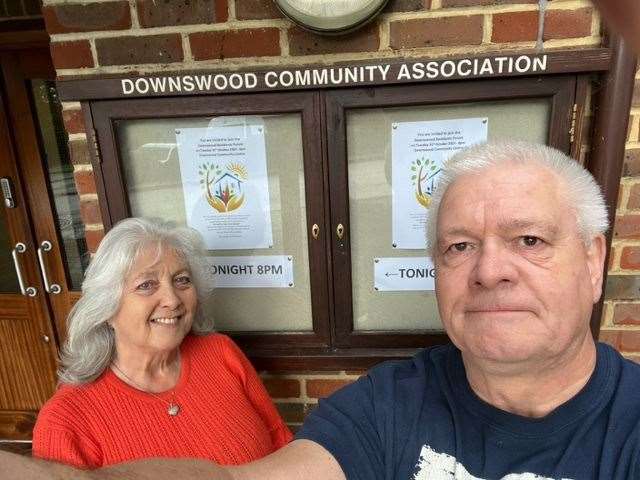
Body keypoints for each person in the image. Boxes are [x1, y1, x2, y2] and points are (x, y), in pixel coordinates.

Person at [4, 141, 640, 479]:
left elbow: (270, 444)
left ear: (592, 261)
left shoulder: (218, 358)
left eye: (529, 240)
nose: (489, 268)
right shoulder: (392, 405)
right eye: (459, 246)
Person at [31, 218, 292, 469]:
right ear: (107, 307)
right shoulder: (65, 421)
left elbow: (282, 445)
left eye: (182, 280)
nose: (172, 299)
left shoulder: (221, 353)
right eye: (146, 285)